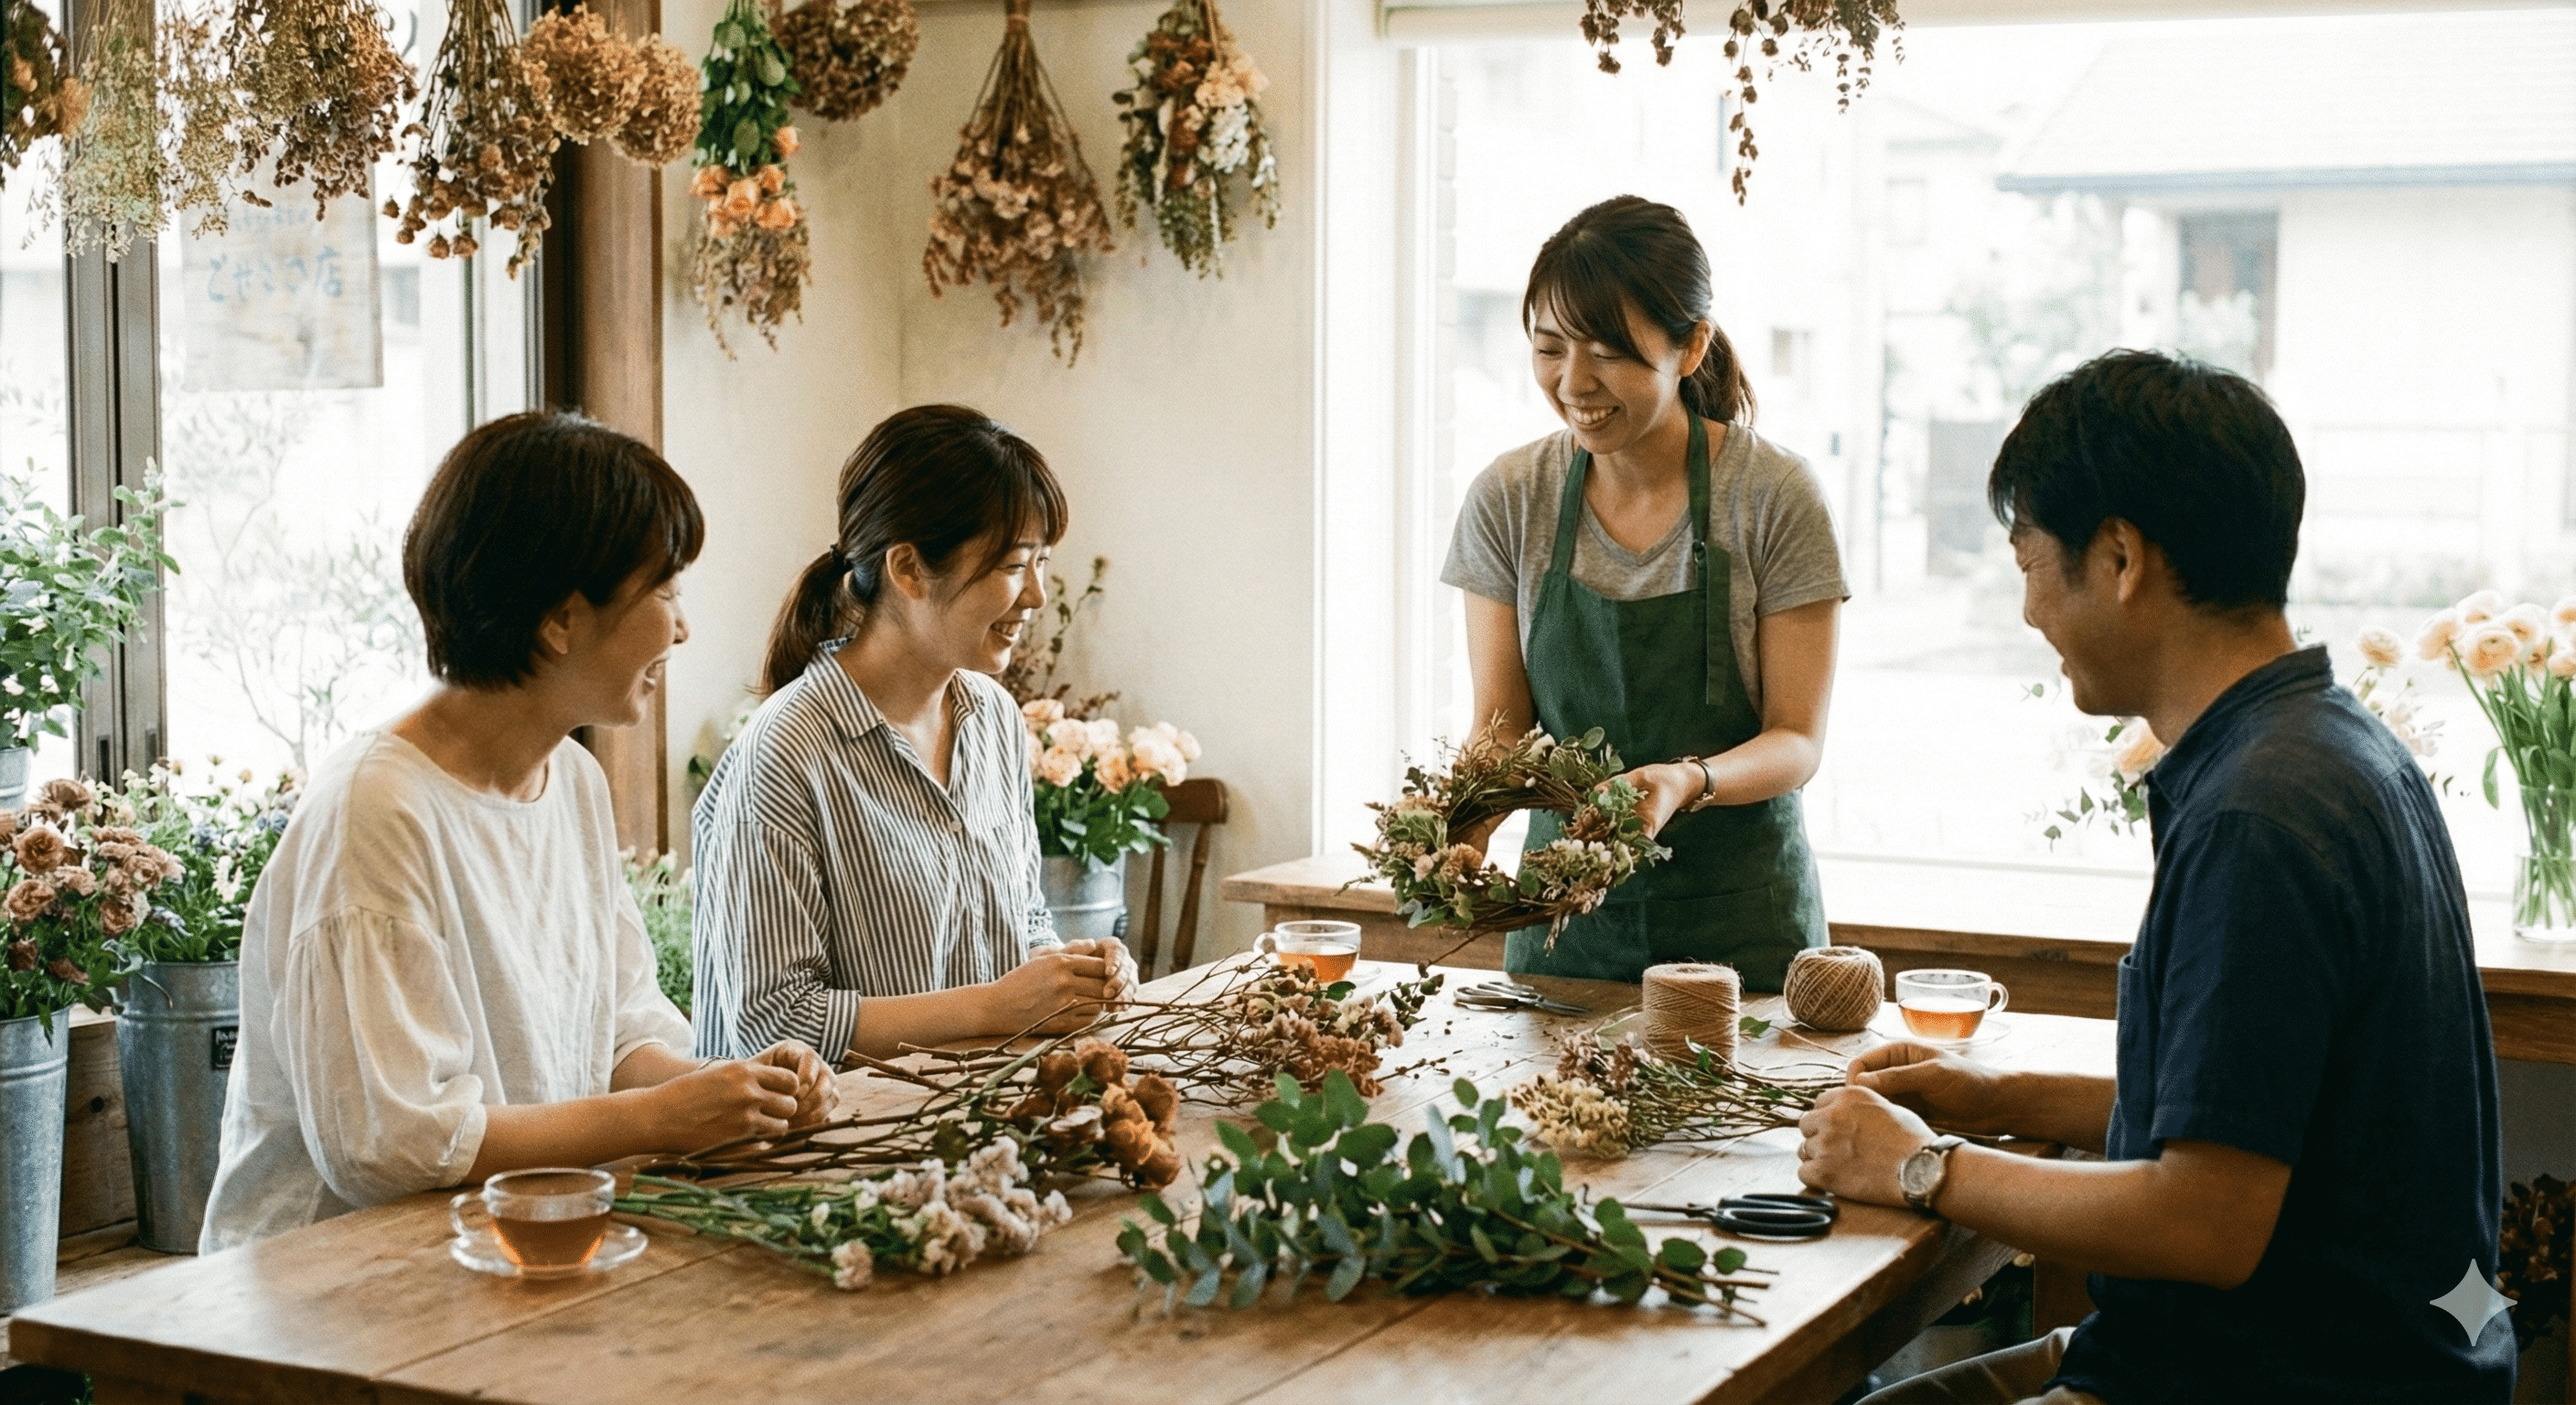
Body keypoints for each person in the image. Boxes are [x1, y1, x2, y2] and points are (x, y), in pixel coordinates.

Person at [1798, 351, 2511, 1404]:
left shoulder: (2255, 815)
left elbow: (2204, 1221)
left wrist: (1921, 1165)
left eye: (2028, 565)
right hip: (2326, 1358)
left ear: (2120, 556)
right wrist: (1987, 1091)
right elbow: (2248, 1105)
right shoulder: (2326, 742)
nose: (2029, 613)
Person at [201, 413, 837, 1253]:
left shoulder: (569, 778)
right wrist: (661, 1117)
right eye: (666, 591)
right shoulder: (377, 813)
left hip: (522, 1247)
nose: (682, 629)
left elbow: (618, 1036)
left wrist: (736, 1093)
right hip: (332, 1299)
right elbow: (392, 1146)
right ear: (562, 619)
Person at [1441, 196, 1846, 990]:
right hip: (1567, 937)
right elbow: (1500, 725)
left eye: (1610, 352)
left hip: (1742, 934)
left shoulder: (1771, 493)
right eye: (1549, 348)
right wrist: (1462, 826)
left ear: (1692, 345)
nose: (1573, 382)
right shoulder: (1511, 497)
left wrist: (1686, 780)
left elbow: (1796, 740)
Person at [692, 405, 1134, 1066]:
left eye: (1043, 562)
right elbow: (774, 1022)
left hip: (972, 1133)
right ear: (907, 569)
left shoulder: (995, 720)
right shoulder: (788, 750)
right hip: (829, 1152)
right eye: (1014, 565)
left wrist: (1065, 970)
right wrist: (994, 1006)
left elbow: (1022, 923)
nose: (1037, 595)